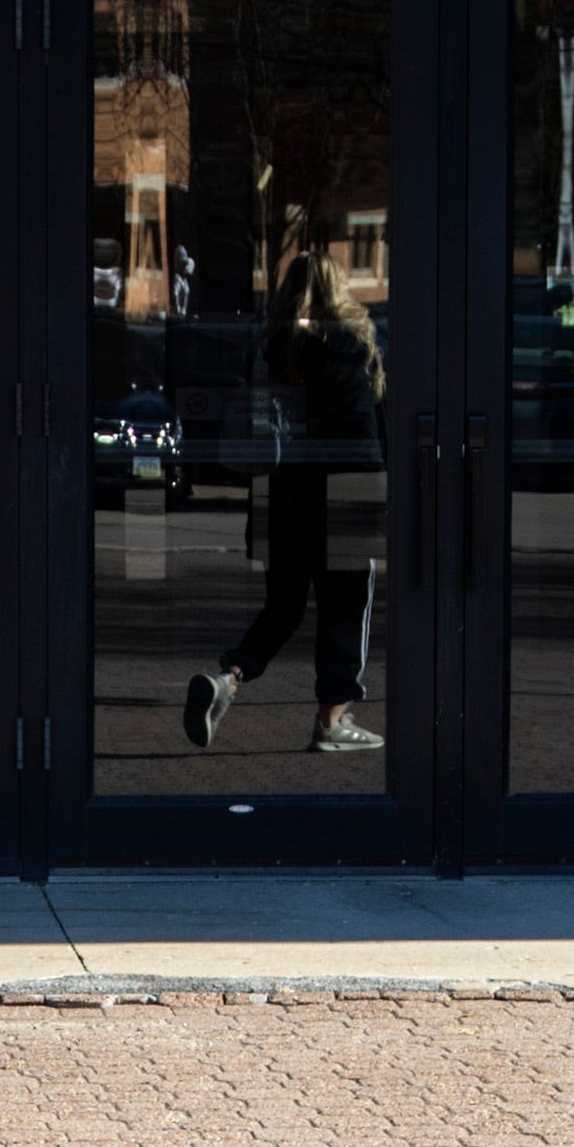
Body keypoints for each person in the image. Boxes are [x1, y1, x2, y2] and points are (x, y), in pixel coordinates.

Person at [187, 225, 383, 755]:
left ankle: (228, 678)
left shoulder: (269, 349)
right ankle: (333, 720)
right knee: (347, 606)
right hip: (344, 489)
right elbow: (372, 427)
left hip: (282, 492)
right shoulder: (356, 345)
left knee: (285, 605)